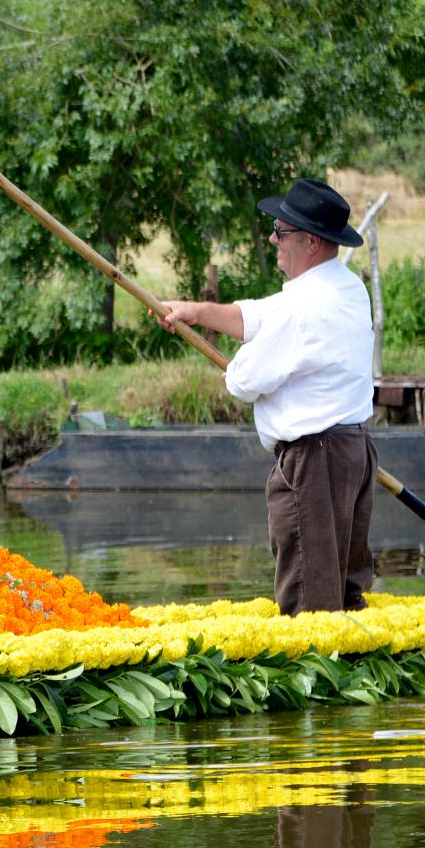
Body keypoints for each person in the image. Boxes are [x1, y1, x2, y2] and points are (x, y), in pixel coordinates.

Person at [155, 179, 375, 616]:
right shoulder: (346, 287)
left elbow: (243, 379)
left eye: (281, 231)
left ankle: (315, 677)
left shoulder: (305, 307)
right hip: (354, 452)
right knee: (346, 595)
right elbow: (260, 314)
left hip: (313, 462)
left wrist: (237, 365)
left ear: (311, 241)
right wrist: (196, 312)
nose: (273, 239)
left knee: (309, 600)